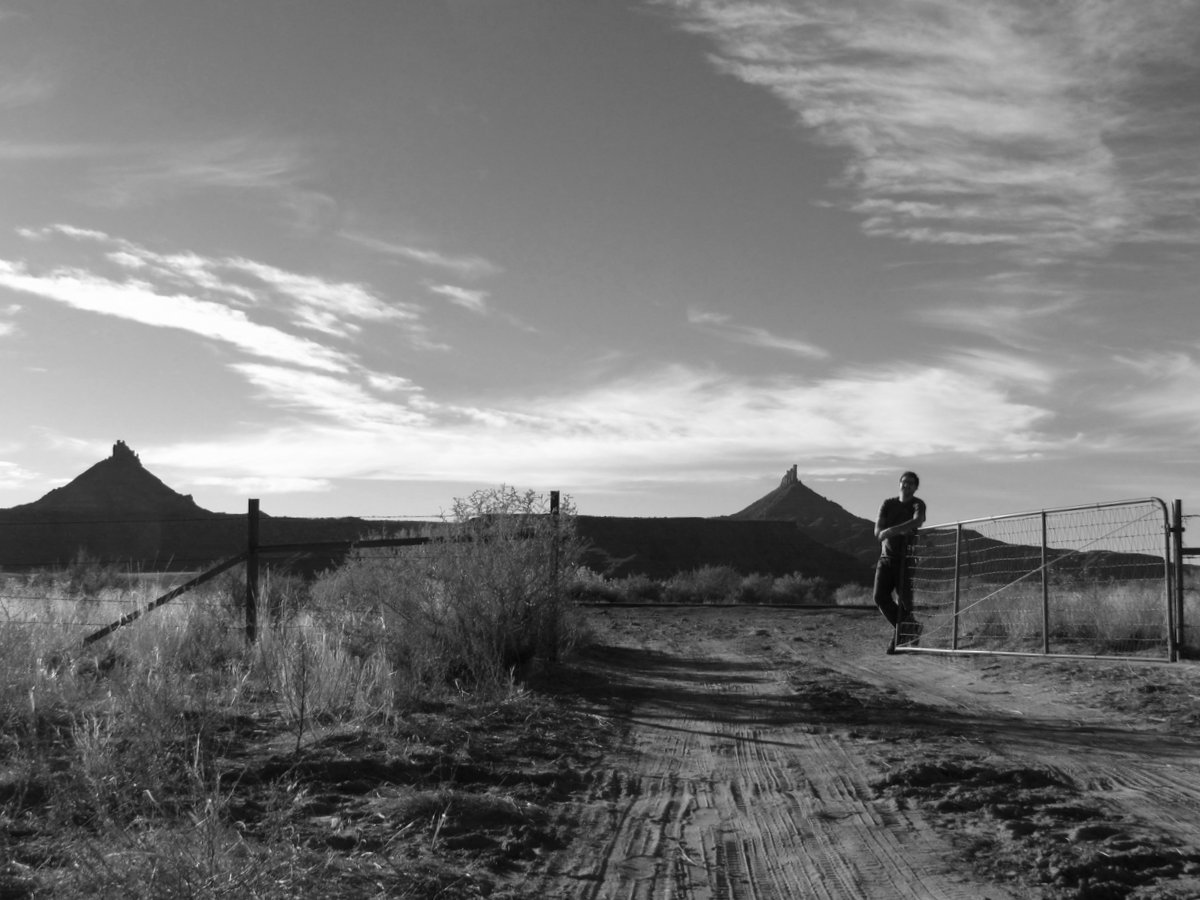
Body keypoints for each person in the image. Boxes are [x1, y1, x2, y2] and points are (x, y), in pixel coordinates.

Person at [874, 471, 926, 654]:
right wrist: (891, 531)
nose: (906, 485)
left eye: (911, 483)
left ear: (916, 487)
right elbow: (878, 531)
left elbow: (918, 521)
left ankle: (899, 637)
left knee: (904, 601)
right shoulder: (888, 504)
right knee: (879, 597)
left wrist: (891, 531)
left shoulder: (917, 504)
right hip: (886, 557)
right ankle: (910, 627)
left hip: (906, 559)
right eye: (904, 482)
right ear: (899, 484)